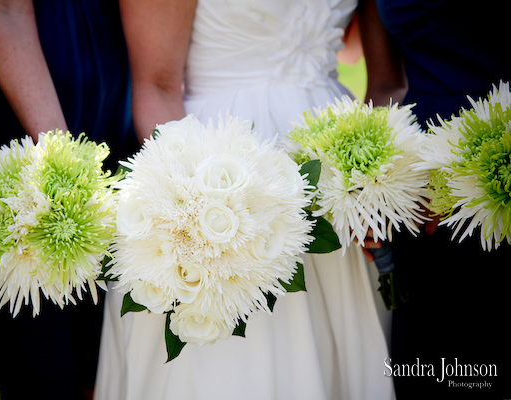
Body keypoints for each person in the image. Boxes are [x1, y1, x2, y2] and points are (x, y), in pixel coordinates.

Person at [95, 1, 394, 399]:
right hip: (213, 158)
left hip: (335, 176)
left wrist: (380, 181)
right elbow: (157, 85)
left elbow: (385, 81)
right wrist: (192, 208)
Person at [0, 1, 136, 399]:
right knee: (45, 354)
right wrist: (62, 161)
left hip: (107, 102)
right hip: (26, 115)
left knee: (100, 353)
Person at [363, 1, 511, 399]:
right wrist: (373, 182)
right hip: (423, 182)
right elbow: (383, 86)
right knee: (438, 367)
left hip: (503, 161)